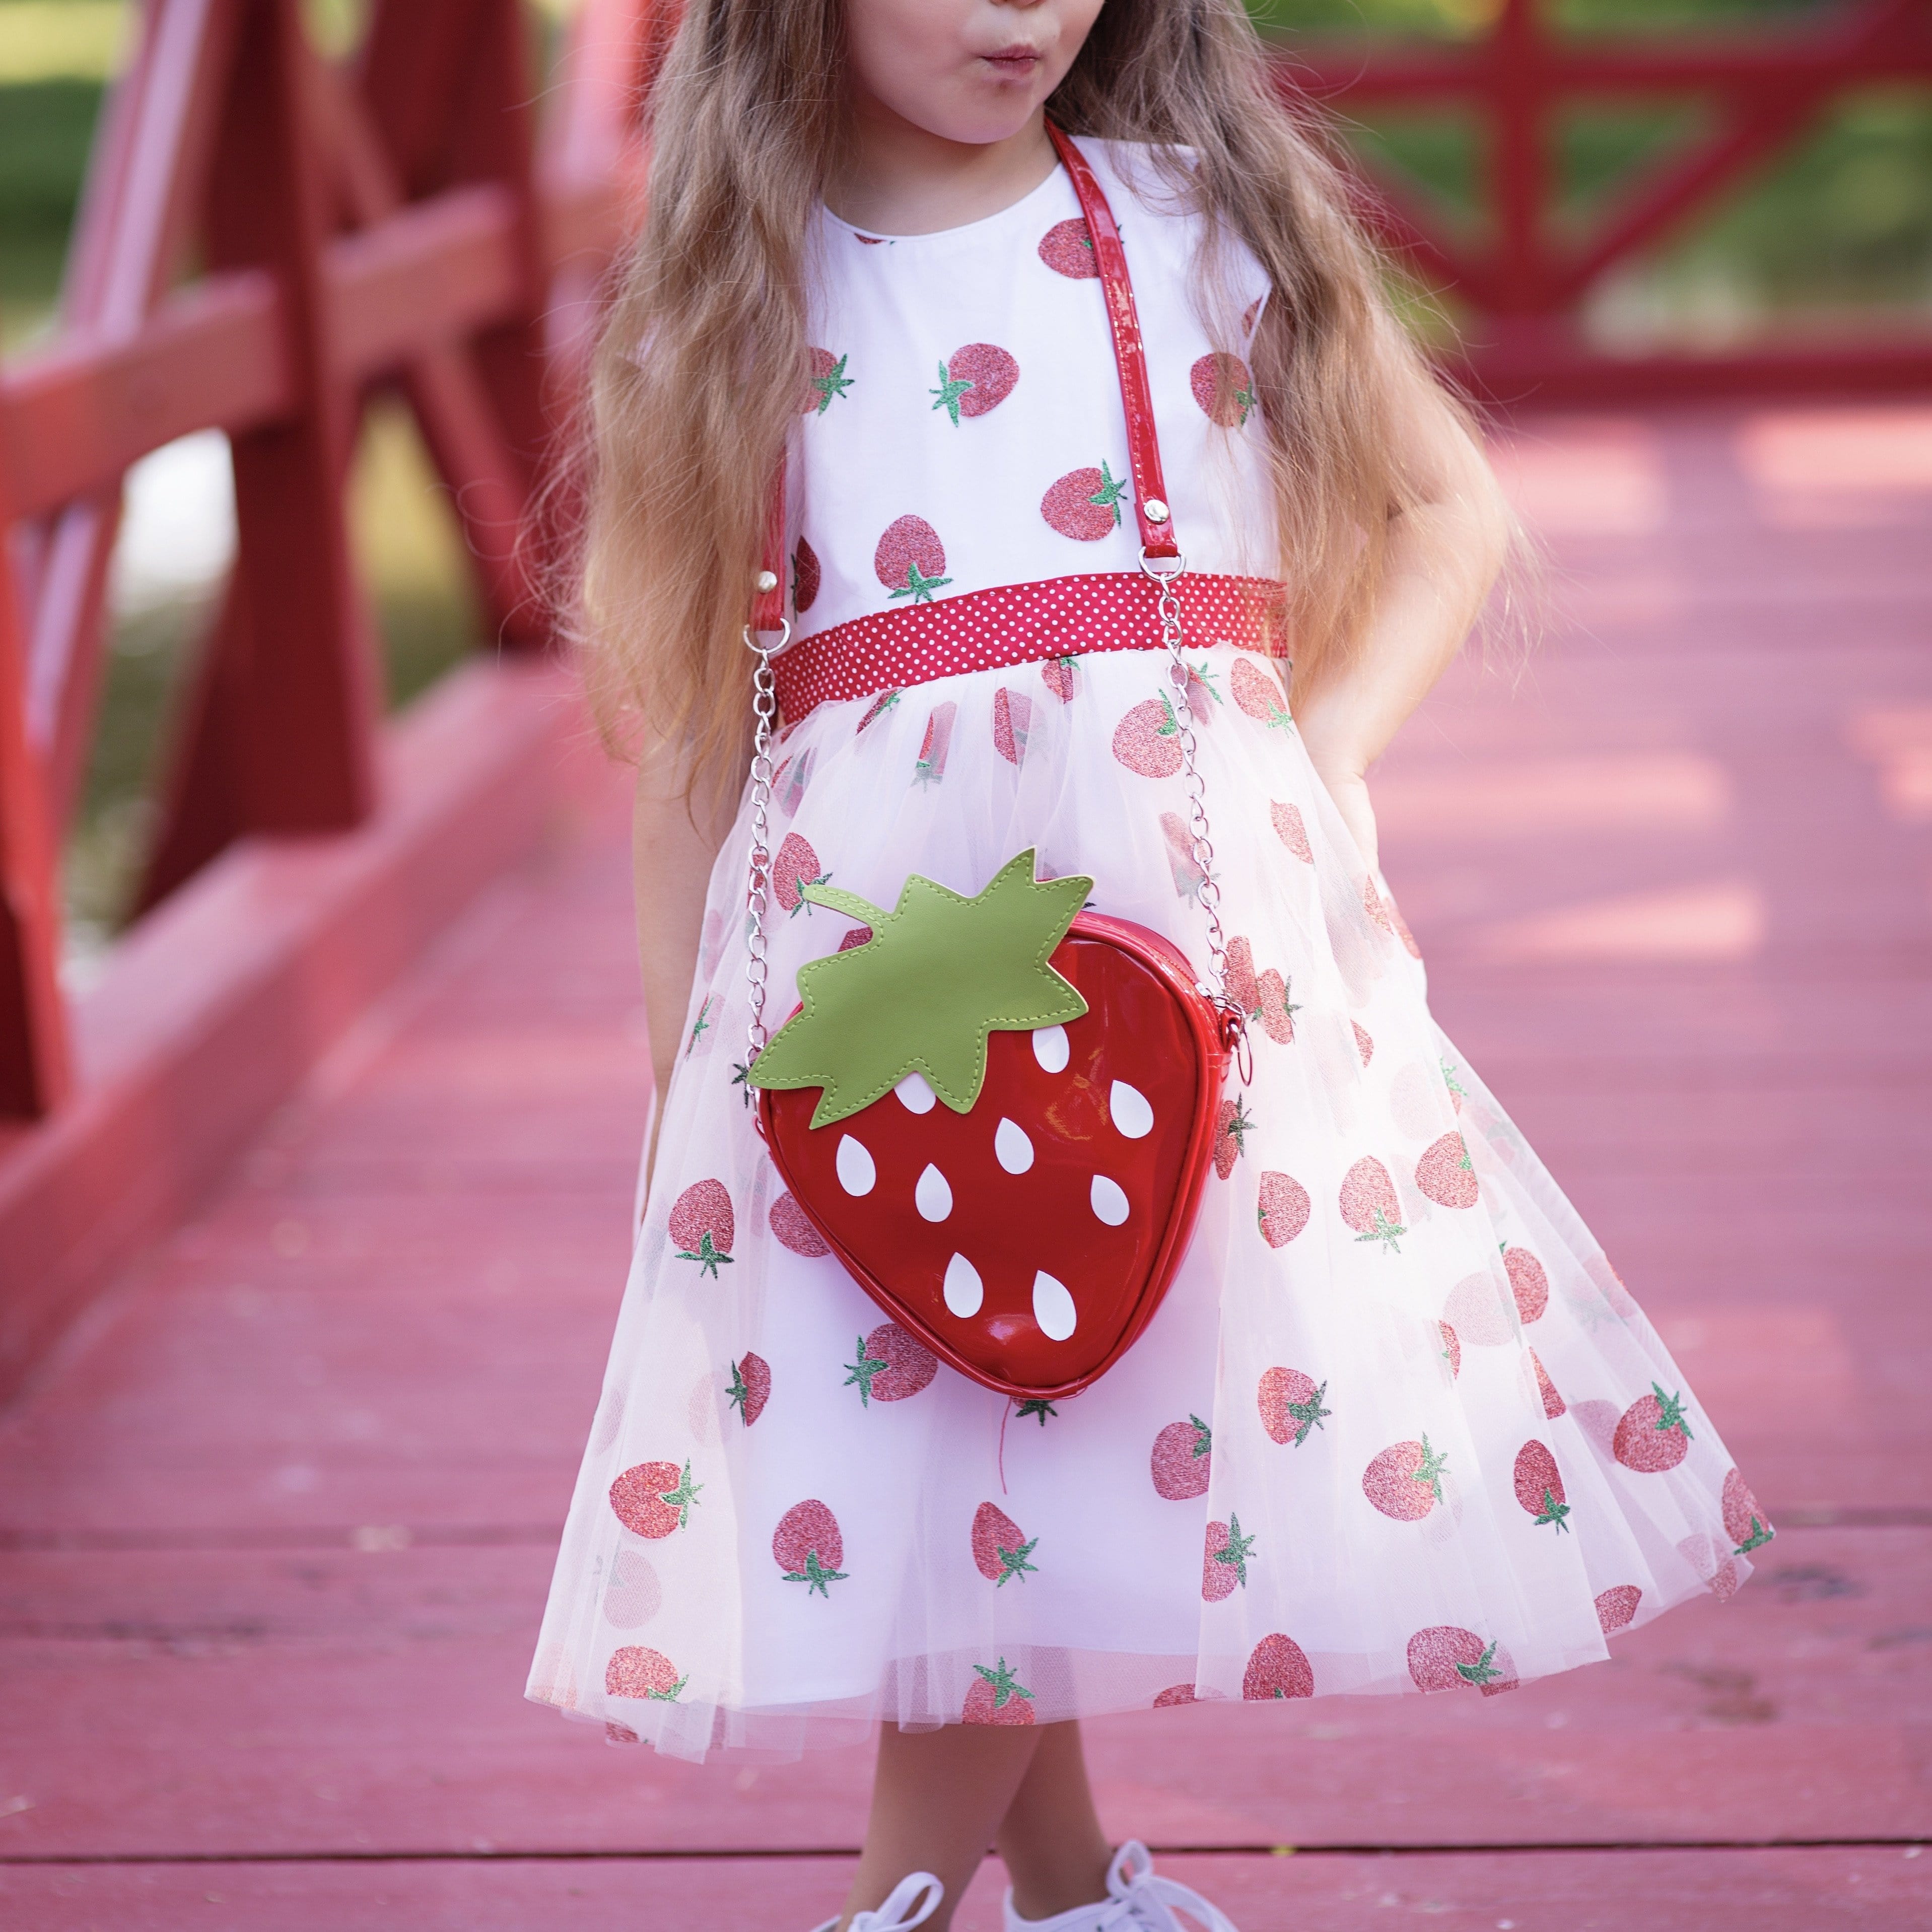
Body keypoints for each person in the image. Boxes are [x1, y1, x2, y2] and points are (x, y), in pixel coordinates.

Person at [528, 4, 1774, 1927]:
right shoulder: (740, 310)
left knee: (1050, 1422)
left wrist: (1318, 748)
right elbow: (693, 746)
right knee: (994, 1430)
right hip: (881, 1007)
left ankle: (1007, 1892)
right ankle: (1031, 1888)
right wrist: (682, 1111)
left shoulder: (1197, 230)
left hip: (1183, 972)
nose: (1024, 10)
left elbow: (1447, 514)